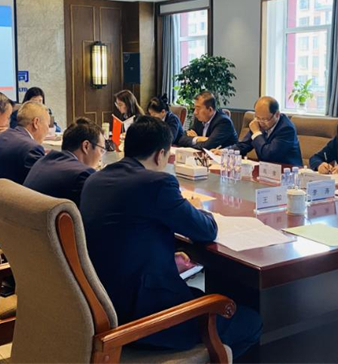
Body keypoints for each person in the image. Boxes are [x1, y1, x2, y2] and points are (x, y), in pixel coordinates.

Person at [81, 117, 262, 358]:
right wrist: (196, 208)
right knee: (252, 322)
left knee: (220, 301)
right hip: (148, 318)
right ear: (160, 155)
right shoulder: (156, 183)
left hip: (103, 308)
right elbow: (206, 230)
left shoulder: (94, 180)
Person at [24, 118, 105, 208]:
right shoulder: (82, 175)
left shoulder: (43, 161)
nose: (101, 157)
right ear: (86, 146)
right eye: (101, 150)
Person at [219, 96, 302, 166]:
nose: (261, 122)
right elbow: (243, 145)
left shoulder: (286, 129)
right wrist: (225, 151)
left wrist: (256, 133)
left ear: (277, 115)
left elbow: (268, 156)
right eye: (257, 117)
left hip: (287, 172)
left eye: (265, 119)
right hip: (266, 170)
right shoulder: (258, 123)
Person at [0, 101, 49, 185]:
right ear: (36, 122)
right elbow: (41, 184)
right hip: (14, 193)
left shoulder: (4, 135)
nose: (48, 130)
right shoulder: (32, 148)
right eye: (48, 124)